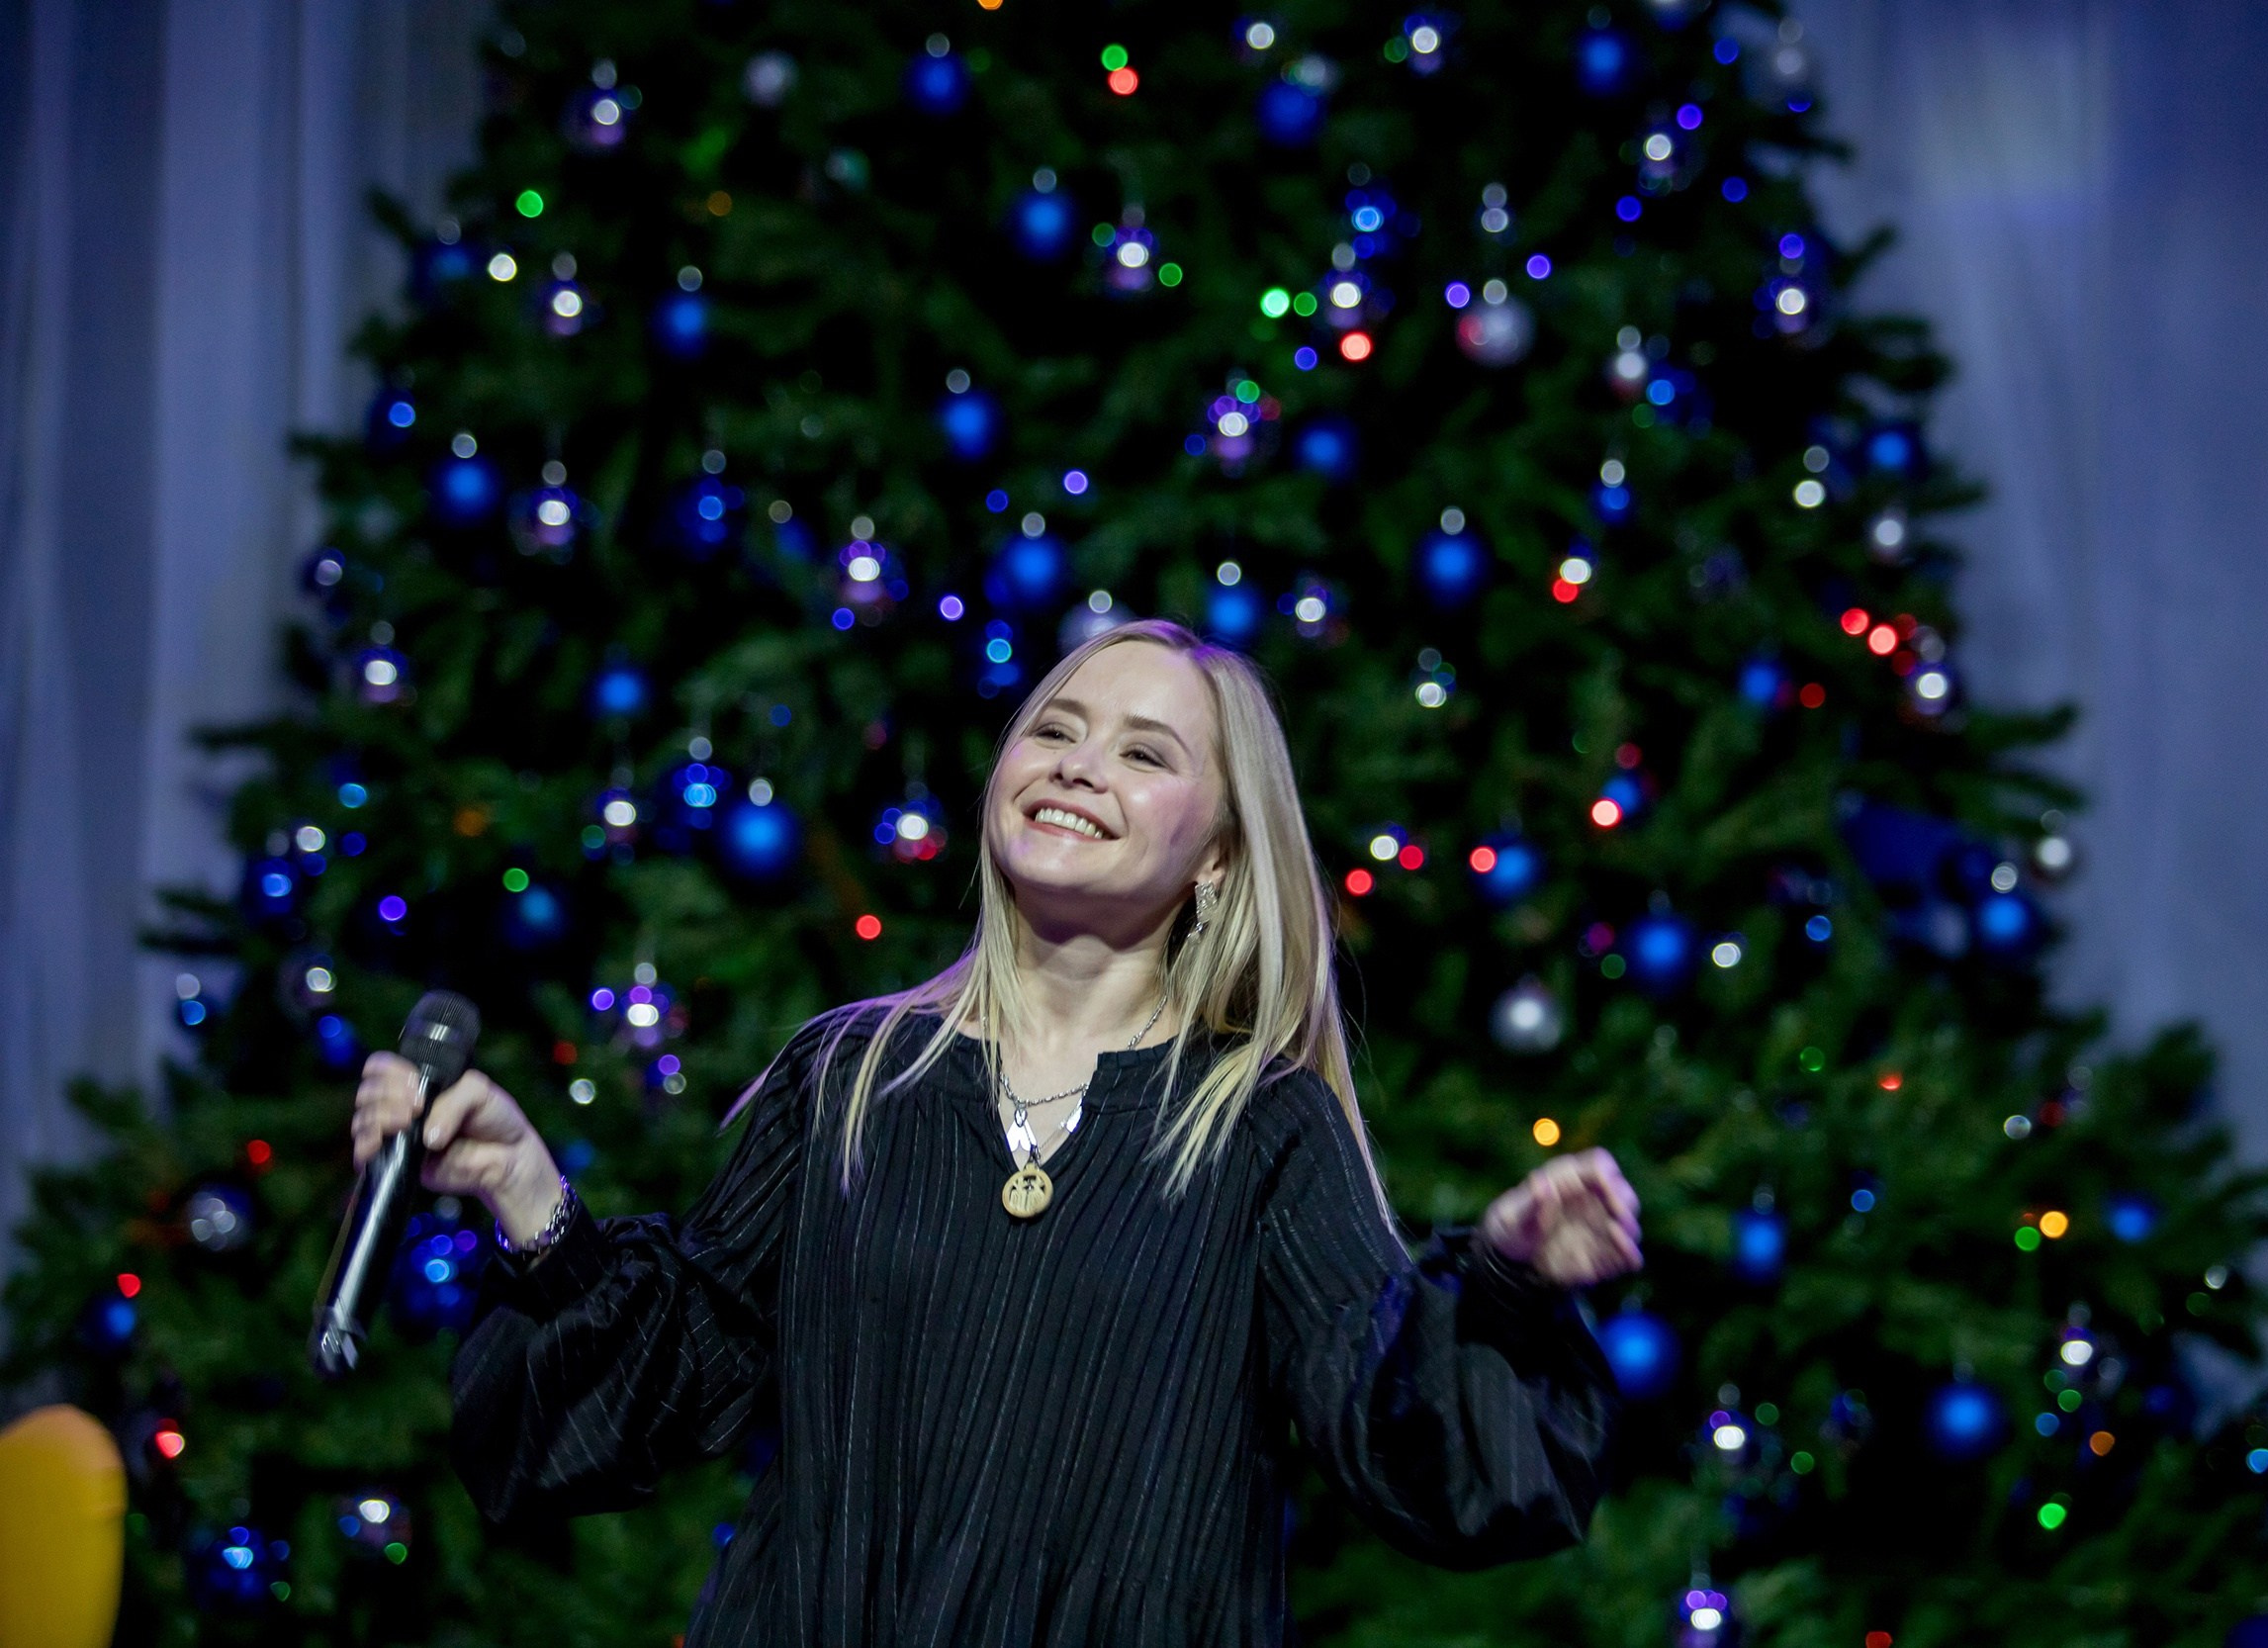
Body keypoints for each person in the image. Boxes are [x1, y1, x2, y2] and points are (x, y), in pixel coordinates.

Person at [351, 618, 1643, 1646]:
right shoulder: (850, 1079)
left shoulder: (1259, 1126)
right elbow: (670, 1383)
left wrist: (1511, 1284)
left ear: (1218, 859)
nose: (1081, 763)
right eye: (1056, 729)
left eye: (1146, 752)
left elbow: (1395, 1425)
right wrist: (526, 1189)